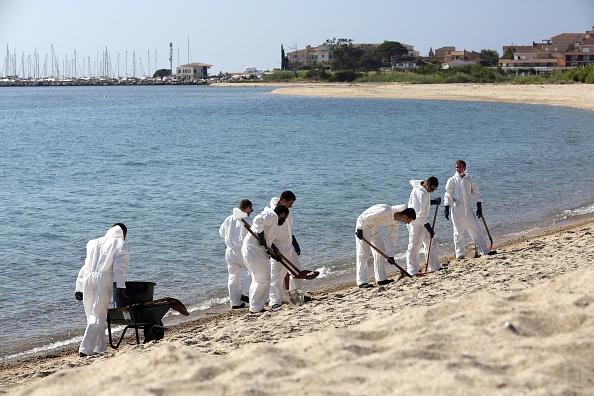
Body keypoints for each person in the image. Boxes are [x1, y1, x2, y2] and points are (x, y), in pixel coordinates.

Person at [75, 223, 130, 357]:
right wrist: (121, 286)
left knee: (91, 315)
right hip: (103, 279)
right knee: (99, 315)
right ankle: (85, 349)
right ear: (123, 233)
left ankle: (99, 348)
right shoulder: (120, 243)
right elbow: (119, 267)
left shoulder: (93, 243)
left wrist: (79, 286)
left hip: (88, 278)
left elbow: (85, 265)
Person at [444, 160, 497, 259]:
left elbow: (476, 192)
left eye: (460, 167)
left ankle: (485, 251)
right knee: (458, 232)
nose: (458, 169)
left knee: (476, 230)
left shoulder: (470, 179)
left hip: (468, 209)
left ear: (464, 168)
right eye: (456, 167)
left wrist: (479, 206)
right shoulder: (452, 180)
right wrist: (446, 206)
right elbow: (448, 194)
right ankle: (460, 254)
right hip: (457, 209)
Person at [241, 204, 289, 314]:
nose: (285, 220)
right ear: (282, 215)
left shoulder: (273, 220)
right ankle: (255, 308)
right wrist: (261, 235)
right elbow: (258, 220)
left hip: (254, 250)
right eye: (285, 218)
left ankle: (255, 307)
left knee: (259, 279)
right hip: (253, 249)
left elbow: (268, 242)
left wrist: (274, 252)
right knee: (263, 279)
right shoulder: (272, 215)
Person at [355, 204, 417, 288]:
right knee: (363, 254)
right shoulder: (385, 211)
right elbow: (366, 216)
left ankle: (381, 279)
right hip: (363, 226)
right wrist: (359, 229)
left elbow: (391, 238)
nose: (409, 223)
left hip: (374, 228)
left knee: (380, 252)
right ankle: (362, 282)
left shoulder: (395, 222)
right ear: (406, 216)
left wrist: (390, 255)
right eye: (410, 220)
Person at [268, 191, 306, 309]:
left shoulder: (288, 213)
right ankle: (275, 301)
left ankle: (296, 297)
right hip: (278, 248)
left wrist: (295, 243)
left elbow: (291, 230)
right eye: (290, 203)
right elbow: (268, 235)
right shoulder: (272, 214)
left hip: (289, 247)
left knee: (296, 272)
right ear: (283, 201)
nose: (291, 205)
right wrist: (273, 251)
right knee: (277, 275)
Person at [219, 199, 254, 309]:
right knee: (254, 271)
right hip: (241, 250)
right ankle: (245, 293)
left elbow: (221, 232)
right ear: (248, 208)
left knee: (233, 277)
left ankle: (235, 303)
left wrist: (229, 239)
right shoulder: (248, 220)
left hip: (229, 250)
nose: (251, 211)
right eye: (251, 209)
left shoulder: (229, 218)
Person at [406, 178, 441, 275]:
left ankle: (434, 266)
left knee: (429, 241)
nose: (431, 191)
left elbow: (424, 203)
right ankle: (412, 270)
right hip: (415, 222)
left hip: (423, 221)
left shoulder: (424, 189)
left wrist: (434, 201)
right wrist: (429, 227)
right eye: (431, 189)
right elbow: (418, 214)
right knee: (414, 245)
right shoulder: (419, 193)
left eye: (434, 190)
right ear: (427, 184)